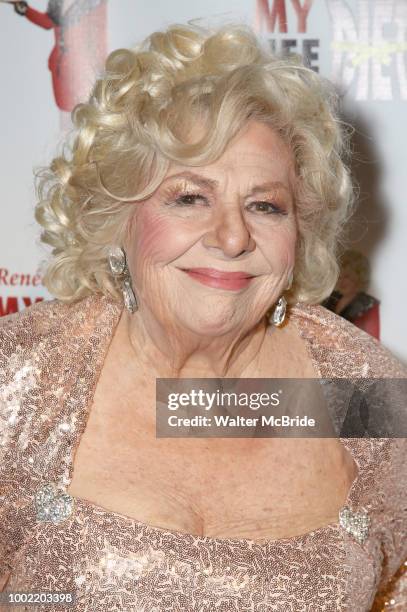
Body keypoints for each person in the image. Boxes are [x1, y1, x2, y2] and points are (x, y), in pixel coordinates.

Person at [0, 22, 406, 611]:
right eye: (190, 197)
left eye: (265, 206)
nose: (233, 236)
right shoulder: (19, 376)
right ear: (119, 217)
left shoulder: (366, 392)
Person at [322, 249, 380, 339]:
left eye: (347, 277)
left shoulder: (369, 305)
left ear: (359, 278)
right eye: (339, 276)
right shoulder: (331, 296)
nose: (341, 281)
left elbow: (373, 343)